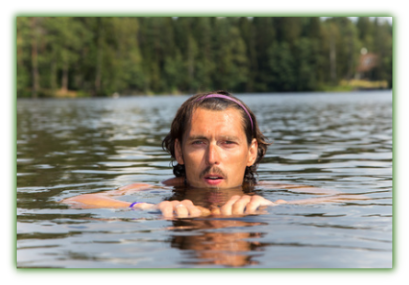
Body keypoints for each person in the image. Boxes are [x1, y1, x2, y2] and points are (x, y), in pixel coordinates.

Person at [61, 90, 365, 217]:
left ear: (251, 153)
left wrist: (278, 205)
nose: (213, 158)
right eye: (198, 143)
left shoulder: (264, 192)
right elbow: (72, 200)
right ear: (178, 150)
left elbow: (353, 199)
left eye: (228, 143)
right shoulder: (161, 192)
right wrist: (147, 207)